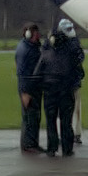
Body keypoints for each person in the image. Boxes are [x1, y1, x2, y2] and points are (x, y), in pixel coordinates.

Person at [34, 23, 81, 156]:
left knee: (51, 121)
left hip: (50, 92)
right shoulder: (71, 55)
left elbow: (37, 74)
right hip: (66, 92)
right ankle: (67, 148)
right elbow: (79, 72)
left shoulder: (46, 54)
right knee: (66, 122)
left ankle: (52, 148)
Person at [14, 22, 44, 152]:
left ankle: (31, 143)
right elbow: (22, 72)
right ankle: (29, 144)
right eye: (36, 33)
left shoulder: (30, 47)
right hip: (29, 88)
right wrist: (24, 91)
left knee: (33, 117)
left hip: (34, 87)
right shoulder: (26, 50)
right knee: (30, 117)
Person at [56, 18, 86, 145]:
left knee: (75, 109)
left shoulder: (72, 42)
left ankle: (75, 133)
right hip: (65, 81)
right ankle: (65, 133)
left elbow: (80, 58)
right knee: (64, 110)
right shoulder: (63, 44)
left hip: (71, 81)